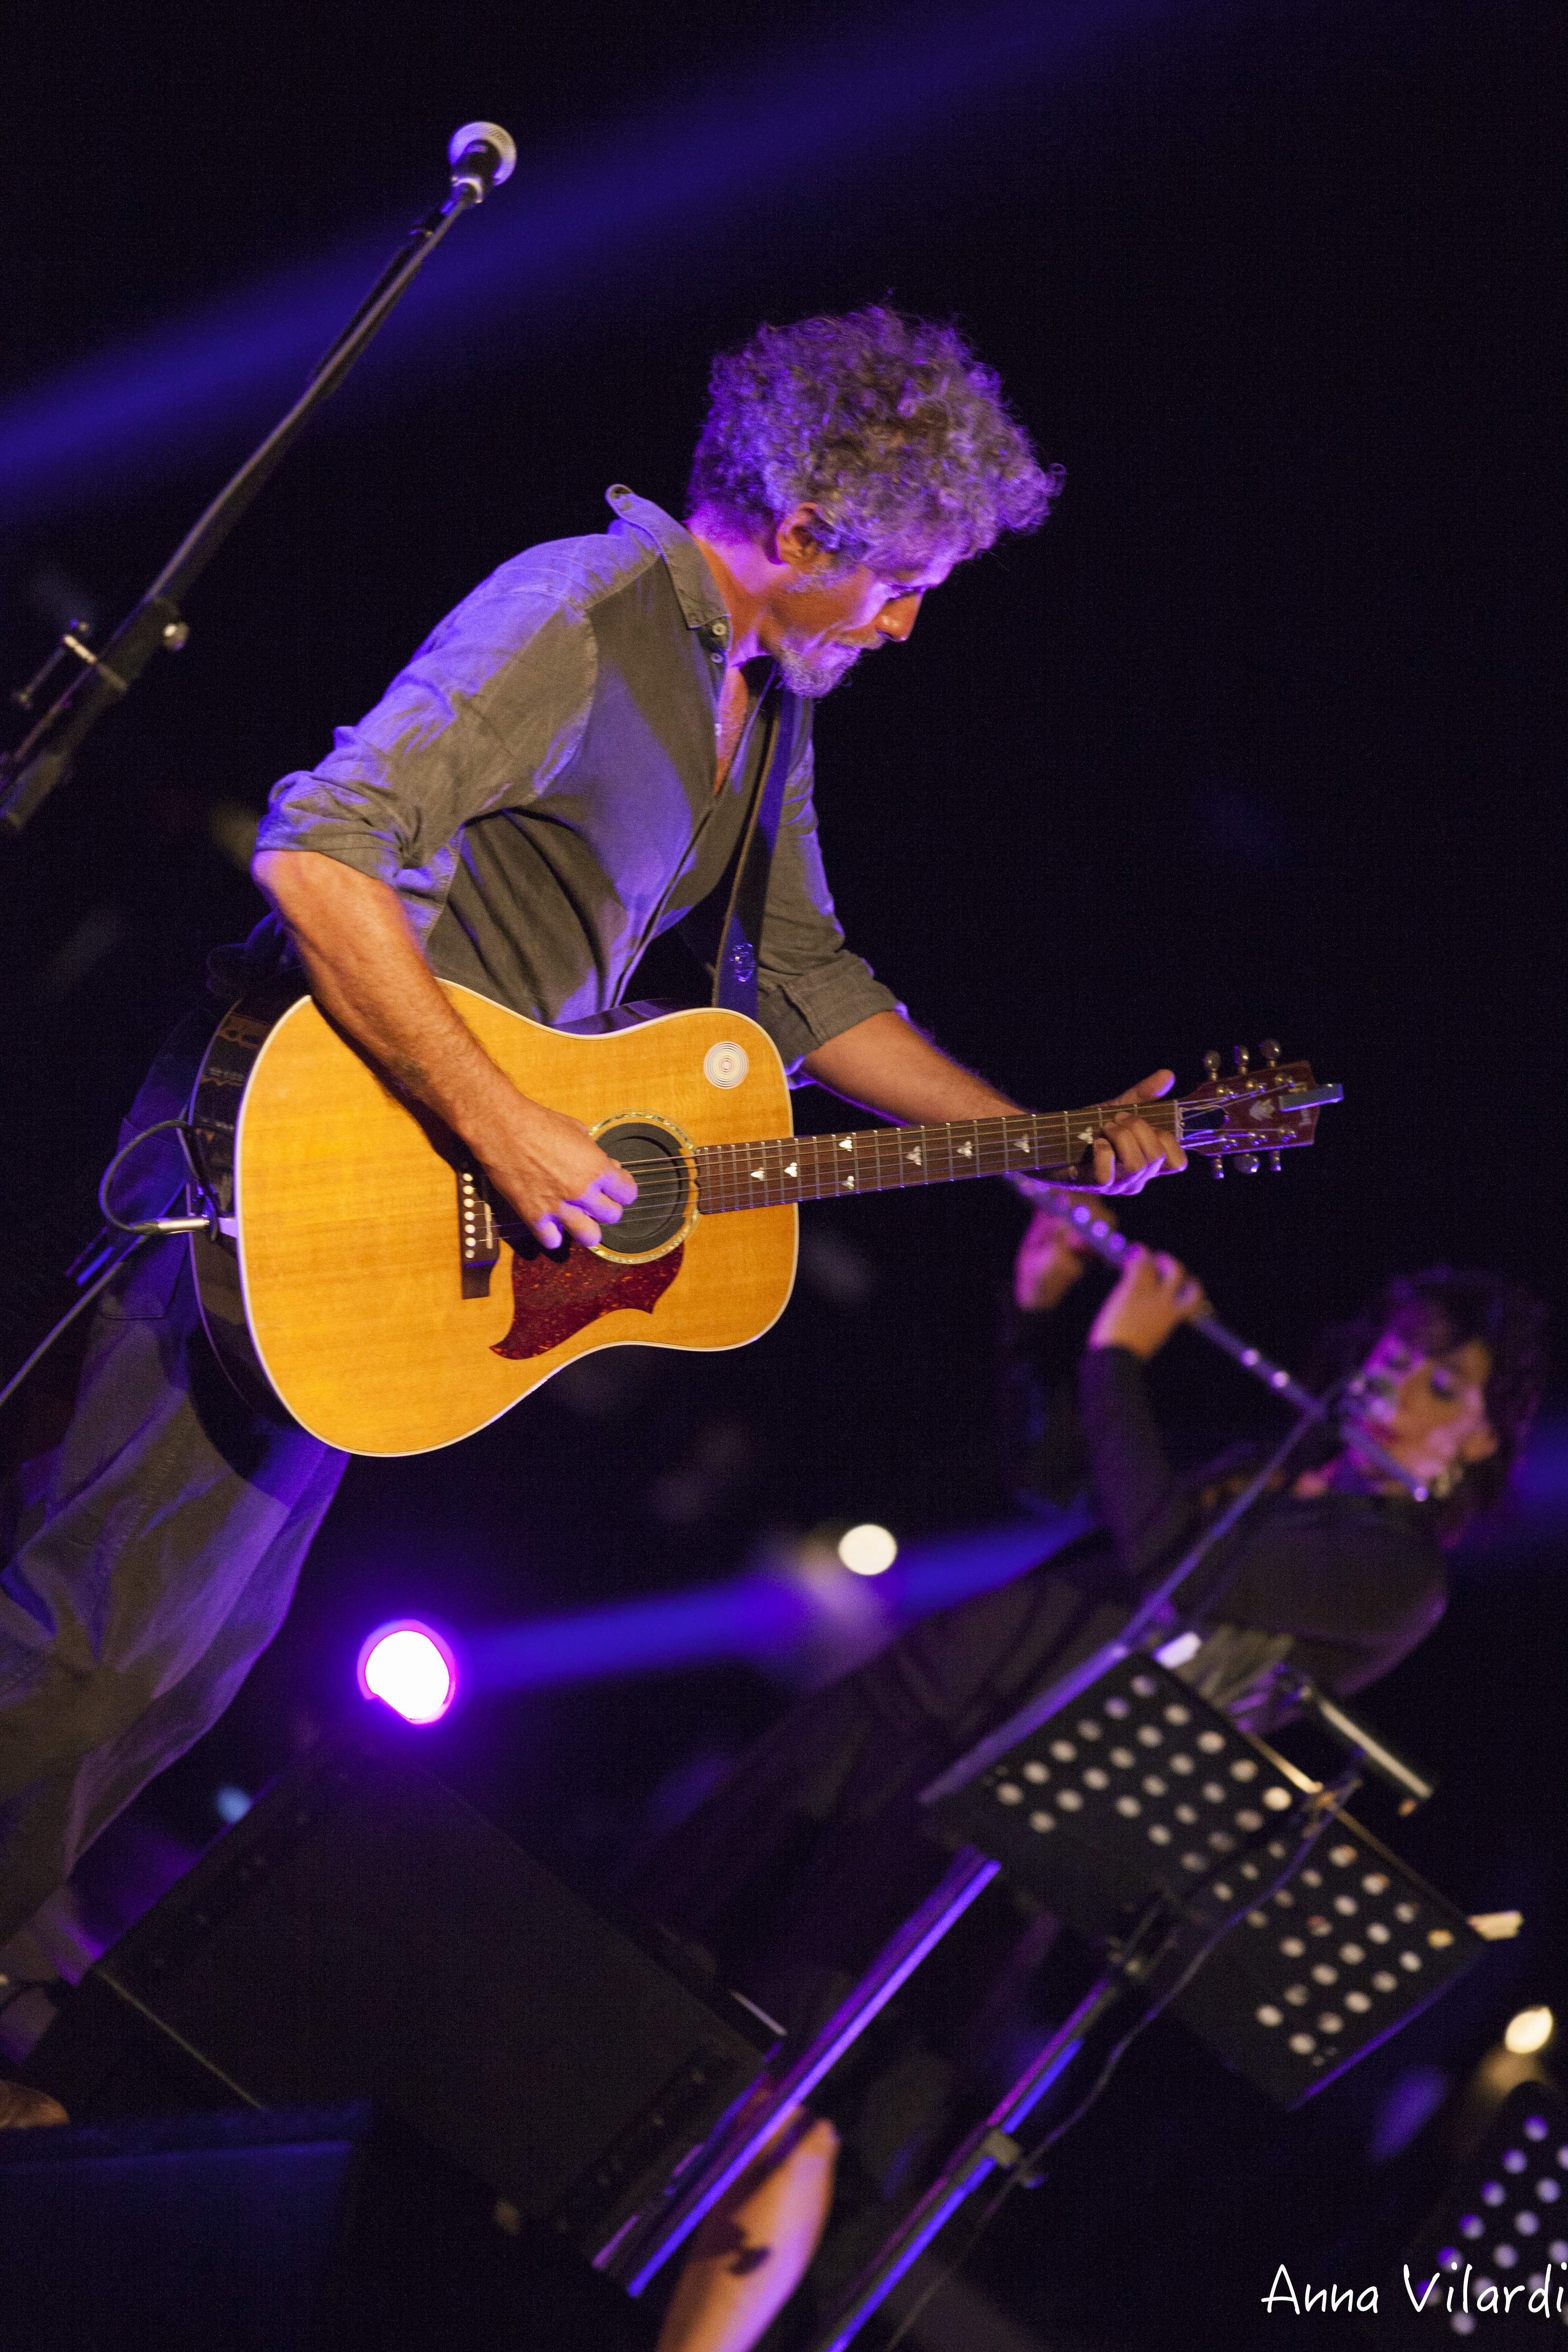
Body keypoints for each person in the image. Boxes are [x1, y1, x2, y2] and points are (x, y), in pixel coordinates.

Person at [0, 310, 1185, 2117]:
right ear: (803, 528)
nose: (909, 622)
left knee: (185, 1665)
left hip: (406, 1238)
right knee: (90, 1641)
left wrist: (1042, 1135)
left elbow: (802, 980)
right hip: (290, 1164)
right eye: (907, 579)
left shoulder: (760, 714)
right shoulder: (582, 606)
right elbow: (320, 849)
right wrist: (508, 1124)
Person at [635, 1204, 1548, 2352]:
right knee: (684, 1981)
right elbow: (1060, 1475)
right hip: (918, 1705)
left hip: (995, 1823)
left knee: (811, 2087)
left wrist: (1122, 1351)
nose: (1397, 1379)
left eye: (1442, 1385)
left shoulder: (1394, 1573)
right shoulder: (1272, 1469)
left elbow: (1172, 1560)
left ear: (1479, 1444)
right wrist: (1044, 1318)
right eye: (1400, 1348)